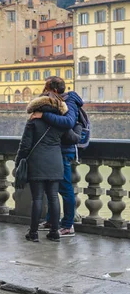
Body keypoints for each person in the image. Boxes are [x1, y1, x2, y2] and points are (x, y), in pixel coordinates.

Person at [31, 77, 84, 237]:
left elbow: (68, 122)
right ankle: (52, 221)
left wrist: (44, 116)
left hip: (64, 150)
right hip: (54, 150)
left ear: (54, 90)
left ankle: (68, 225)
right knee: (51, 188)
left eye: (46, 88)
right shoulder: (58, 101)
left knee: (65, 188)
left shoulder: (70, 100)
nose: (44, 92)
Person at [16, 85, 70, 243]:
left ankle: (33, 233)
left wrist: (18, 162)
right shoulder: (61, 121)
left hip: (37, 162)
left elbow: (25, 145)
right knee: (54, 197)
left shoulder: (33, 120)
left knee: (37, 198)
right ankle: (55, 232)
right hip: (55, 161)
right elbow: (72, 137)